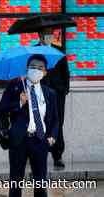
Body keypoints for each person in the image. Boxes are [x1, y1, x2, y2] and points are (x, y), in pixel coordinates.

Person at [0, 54, 59, 197]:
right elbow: (1, 109)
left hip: (40, 140)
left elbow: (55, 119)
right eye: (32, 67)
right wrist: (19, 103)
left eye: (40, 68)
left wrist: (52, 136)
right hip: (19, 140)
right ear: (27, 69)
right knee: (15, 183)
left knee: (40, 184)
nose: (36, 70)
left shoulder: (50, 93)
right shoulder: (15, 87)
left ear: (45, 73)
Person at [37, 27, 70, 168]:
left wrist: (64, 89)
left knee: (58, 123)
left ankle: (58, 156)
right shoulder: (35, 51)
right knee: (41, 123)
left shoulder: (59, 50)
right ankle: (40, 155)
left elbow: (65, 71)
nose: (49, 37)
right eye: (46, 34)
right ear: (39, 35)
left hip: (57, 93)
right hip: (41, 92)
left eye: (51, 34)